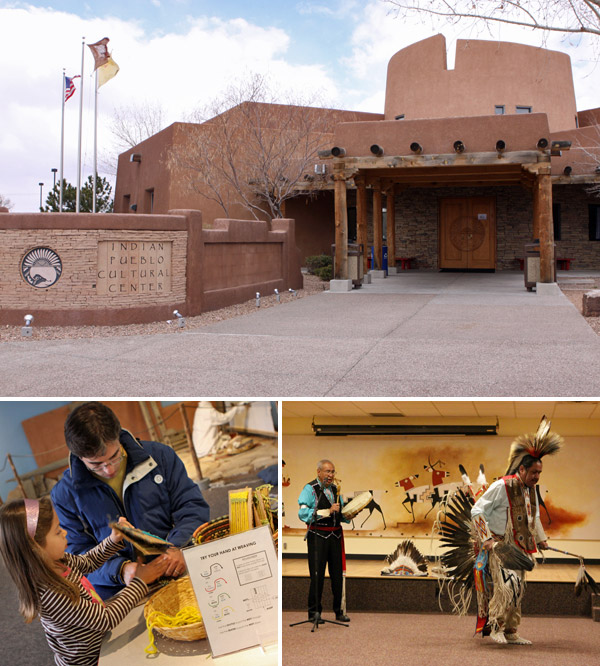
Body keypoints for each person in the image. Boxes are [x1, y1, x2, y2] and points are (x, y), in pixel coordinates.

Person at [51, 401, 210, 600]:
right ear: (79, 456)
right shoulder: (64, 494)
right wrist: (120, 570)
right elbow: (77, 554)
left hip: (176, 567)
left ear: (118, 436)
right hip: (118, 590)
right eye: (96, 465)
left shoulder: (160, 456)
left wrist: (178, 545)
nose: (109, 469)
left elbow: (191, 506)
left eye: (114, 456)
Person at [0, 496, 169, 666]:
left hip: (99, 640)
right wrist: (140, 582)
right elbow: (106, 619)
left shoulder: (57, 560)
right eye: (58, 531)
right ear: (36, 548)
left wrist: (112, 540)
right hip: (89, 661)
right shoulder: (52, 594)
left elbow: (87, 562)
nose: (65, 532)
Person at [470, 416, 562, 644]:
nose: (537, 477)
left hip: (520, 547)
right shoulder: (501, 486)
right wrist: (488, 539)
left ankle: (511, 631)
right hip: (500, 546)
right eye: (534, 473)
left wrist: (541, 539)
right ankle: (496, 627)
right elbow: (476, 510)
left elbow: (534, 516)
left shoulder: (530, 489)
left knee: (518, 589)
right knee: (506, 587)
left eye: (540, 473)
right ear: (522, 469)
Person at [298, 459, 350, 623]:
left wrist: (348, 514)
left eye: (333, 472)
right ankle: (314, 613)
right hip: (317, 536)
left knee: (337, 576)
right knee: (317, 575)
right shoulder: (310, 489)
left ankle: (339, 611)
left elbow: (339, 513)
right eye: (327, 471)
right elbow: (303, 514)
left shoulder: (335, 489)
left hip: (335, 537)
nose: (331, 475)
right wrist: (327, 511)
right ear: (318, 472)